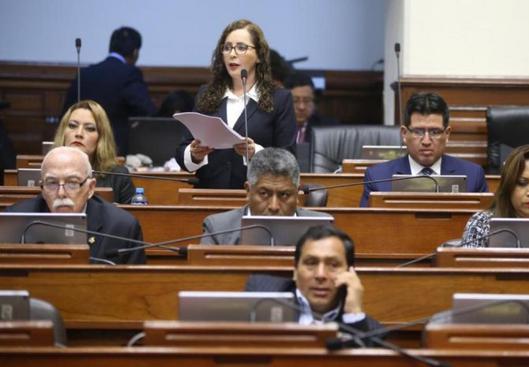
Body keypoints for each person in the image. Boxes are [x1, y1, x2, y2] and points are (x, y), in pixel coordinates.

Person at [175, 19, 296, 189]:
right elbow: (182, 152)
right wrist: (194, 154)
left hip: (256, 198)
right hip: (208, 196)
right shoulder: (206, 94)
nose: (232, 54)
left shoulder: (279, 99)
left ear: (259, 55)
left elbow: (289, 160)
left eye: (241, 47)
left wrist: (256, 153)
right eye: (227, 48)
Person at [5, 147, 145, 264]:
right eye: (52, 183)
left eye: (72, 183)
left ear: (90, 188)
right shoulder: (14, 221)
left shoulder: (121, 227)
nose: (61, 193)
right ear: (42, 188)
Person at [245, 224, 381, 339]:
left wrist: (353, 315)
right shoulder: (265, 295)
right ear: (295, 270)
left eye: (333, 265)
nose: (320, 275)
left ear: (350, 273)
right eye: (311, 263)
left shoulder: (368, 329)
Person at [360, 92, 488, 206]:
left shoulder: (473, 176)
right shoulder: (378, 178)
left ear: (447, 134)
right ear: (404, 133)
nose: (426, 141)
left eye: (435, 132)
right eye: (418, 131)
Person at [201, 147, 329, 244]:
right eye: (264, 194)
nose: (274, 206)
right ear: (248, 191)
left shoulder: (321, 227)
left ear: (297, 194)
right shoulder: (218, 229)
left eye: (284, 195)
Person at [62, 26, 157, 155]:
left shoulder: (84, 73)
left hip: (78, 149)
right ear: (135, 52)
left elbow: (66, 113)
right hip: (113, 149)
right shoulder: (130, 74)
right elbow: (147, 111)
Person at [54, 100, 135, 204]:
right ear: (63, 132)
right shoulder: (48, 171)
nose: (79, 133)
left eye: (90, 129)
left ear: (101, 138)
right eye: (72, 126)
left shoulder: (118, 176)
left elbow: (132, 218)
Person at [284, 72, 339, 144]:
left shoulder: (329, 128)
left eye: (307, 101)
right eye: (295, 101)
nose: (301, 107)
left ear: (314, 103)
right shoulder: (273, 128)